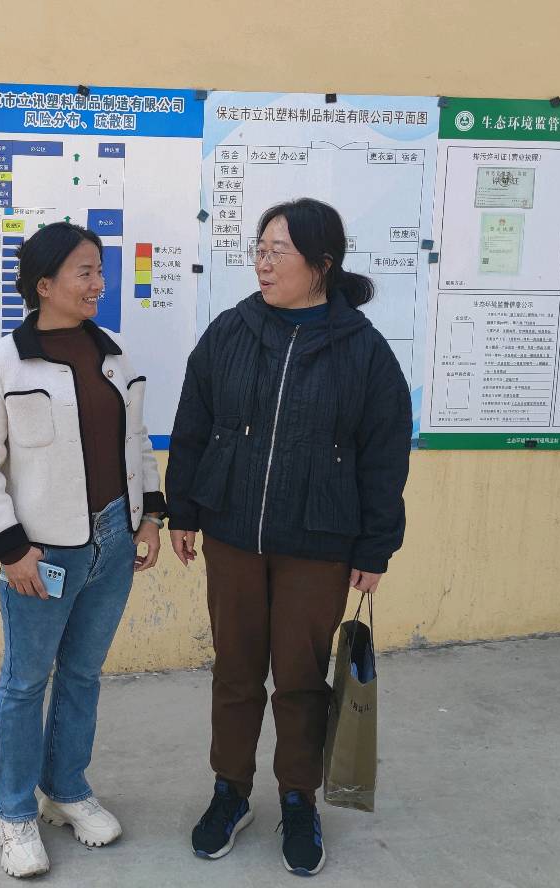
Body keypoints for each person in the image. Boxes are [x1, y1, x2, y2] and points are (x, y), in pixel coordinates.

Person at [166, 198, 411, 878]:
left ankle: (298, 799)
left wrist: (375, 546)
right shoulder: (231, 331)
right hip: (233, 532)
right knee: (235, 671)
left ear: (321, 264)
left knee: (301, 681)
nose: (262, 263)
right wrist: (182, 510)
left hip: (319, 540)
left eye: (278, 251)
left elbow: (384, 456)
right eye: (260, 248)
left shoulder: (363, 351)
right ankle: (230, 791)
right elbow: (193, 425)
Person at [0, 220, 166, 879]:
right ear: (44, 284)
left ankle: (66, 788)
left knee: (82, 675)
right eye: (85, 271)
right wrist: (10, 551)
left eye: (100, 270)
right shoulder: (0, 362)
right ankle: (16, 813)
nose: (98, 282)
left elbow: (138, 445)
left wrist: (150, 518)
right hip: (42, 553)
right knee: (25, 682)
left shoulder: (115, 357)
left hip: (114, 541)